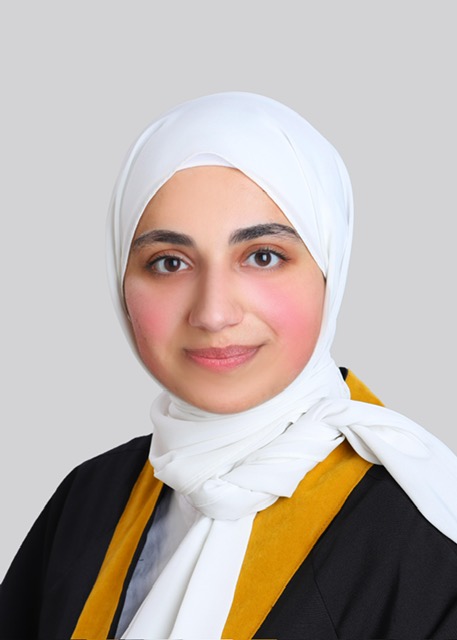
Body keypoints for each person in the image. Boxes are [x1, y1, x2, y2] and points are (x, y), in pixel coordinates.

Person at [1, 92, 456, 639]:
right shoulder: (89, 500)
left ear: (330, 267)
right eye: (169, 263)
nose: (214, 313)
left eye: (263, 256)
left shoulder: (421, 535)